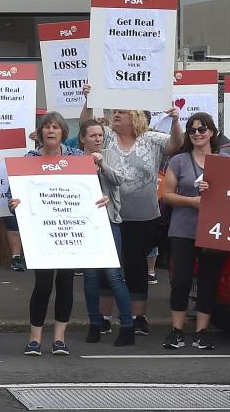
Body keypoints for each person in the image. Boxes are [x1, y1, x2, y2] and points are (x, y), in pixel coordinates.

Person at [80, 84, 182, 335]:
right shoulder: (106, 135)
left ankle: (139, 318)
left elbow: (176, 144)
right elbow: (86, 124)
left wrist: (176, 120)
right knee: (108, 266)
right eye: (115, 111)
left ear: (135, 117)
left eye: (122, 112)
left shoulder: (151, 138)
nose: (116, 115)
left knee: (136, 267)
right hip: (109, 215)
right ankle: (104, 316)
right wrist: (88, 99)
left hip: (143, 216)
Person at [9, 112, 106, 356]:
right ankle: (35, 338)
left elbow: (90, 189)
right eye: (47, 127)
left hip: (70, 230)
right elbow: (8, 191)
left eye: (56, 127)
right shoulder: (29, 158)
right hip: (41, 232)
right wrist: (13, 200)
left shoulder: (75, 158)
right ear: (41, 133)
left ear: (63, 132)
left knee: (65, 283)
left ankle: (60, 338)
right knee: (42, 285)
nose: (51, 131)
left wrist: (100, 199)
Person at [160, 112, 228, 350]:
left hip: (214, 231)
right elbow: (166, 195)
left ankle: (201, 332)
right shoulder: (179, 160)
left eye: (202, 129)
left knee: (208, 282)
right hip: (183, 229)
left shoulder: (224, 160)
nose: (197, 134)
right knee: (180, 280)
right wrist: (192, 201)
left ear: (211, 131)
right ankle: (176, 330)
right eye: (192, 130)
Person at [77, 119, 136, 347]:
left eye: (100, 136)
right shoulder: (75, 159)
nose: (97, 140)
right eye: (93, 136)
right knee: (90, 278)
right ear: (83, 138)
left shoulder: (110, 156)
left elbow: (119, 180)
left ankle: (128, 327)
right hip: (86, 226)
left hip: (109, 223)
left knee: (114, 276)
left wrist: (102, 166)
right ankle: (95, 324)